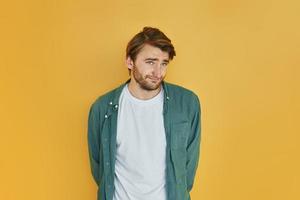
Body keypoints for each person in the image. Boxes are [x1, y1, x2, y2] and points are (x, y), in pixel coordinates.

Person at [87, 26, 201, 200]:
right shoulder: (102, 108)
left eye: (164, 63)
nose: (158, 72)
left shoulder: (187, 104)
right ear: (129, 62)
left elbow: (188, 169)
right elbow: (100, 168)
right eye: (150, 62)